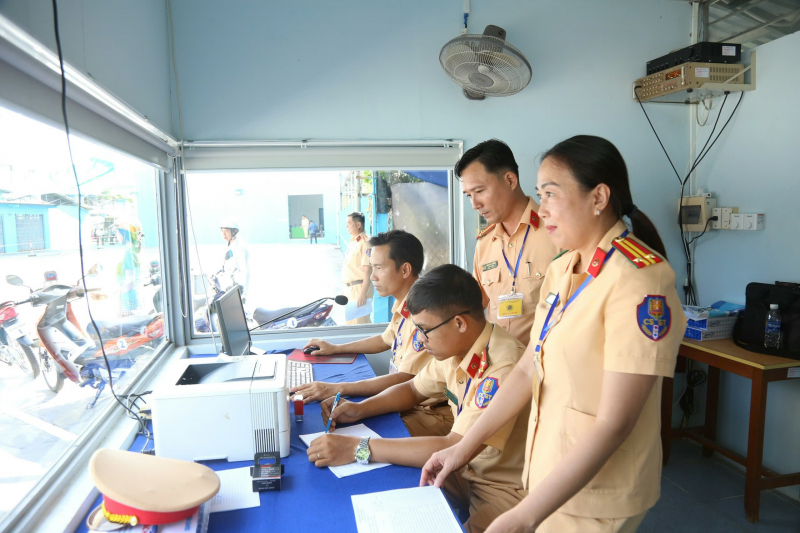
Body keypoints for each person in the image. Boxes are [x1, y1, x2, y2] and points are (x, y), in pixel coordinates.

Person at [421, 135, 686, 533]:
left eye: (550, 194)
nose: (541, 208)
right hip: (547, 468)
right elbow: (528, 369)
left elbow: (615, 422)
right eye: (540, 194)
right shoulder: (564, 270)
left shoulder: (641, 281)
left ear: (598, 197)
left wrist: (525, 515)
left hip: (598, 490)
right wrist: (463, 446)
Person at [308, 265, 529, 533]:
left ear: (459, 323)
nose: (421, 339)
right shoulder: (458, 349)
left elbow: (455, 446)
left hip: (500, 488)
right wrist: (358, 410)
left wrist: (358, 447)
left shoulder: (502, 367)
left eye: (425, 330)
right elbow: (413, 389)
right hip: (464, 473)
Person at [294, 230, 453, 437]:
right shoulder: (403, 306)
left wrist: (338, 388)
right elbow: (384, 339)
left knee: (347, 434)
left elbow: (404, 379)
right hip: (408, 401)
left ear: (405, 270)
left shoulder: (424, 316)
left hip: (428, 411)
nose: (372, 277)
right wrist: (336, 348)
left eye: (378, 268)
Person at [457, 139, 560, 346]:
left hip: (543, 366)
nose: (475, 204)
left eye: (479, 191)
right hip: (498, 366)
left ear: (510, 181)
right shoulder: (485, 244)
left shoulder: (557, 233)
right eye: (469, 195)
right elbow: (476, 307)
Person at [341, 212, 373, 325]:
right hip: (351, 289)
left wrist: (362, 293)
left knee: (359, 325)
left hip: (359, 288)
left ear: (358, 224)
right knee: (351, 326)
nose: (347, 226)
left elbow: (367, 271)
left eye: (349, 223)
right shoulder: (354, 242)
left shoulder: (365, 243)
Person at [219, 220, 250, 302]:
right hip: (228, 286)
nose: (224, 234)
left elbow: (244, 270)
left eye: (226, 231)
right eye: (222, 232)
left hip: (237, 287)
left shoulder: (240, 247)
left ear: (234, 232)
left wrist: (241, 288)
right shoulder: (227, 246)